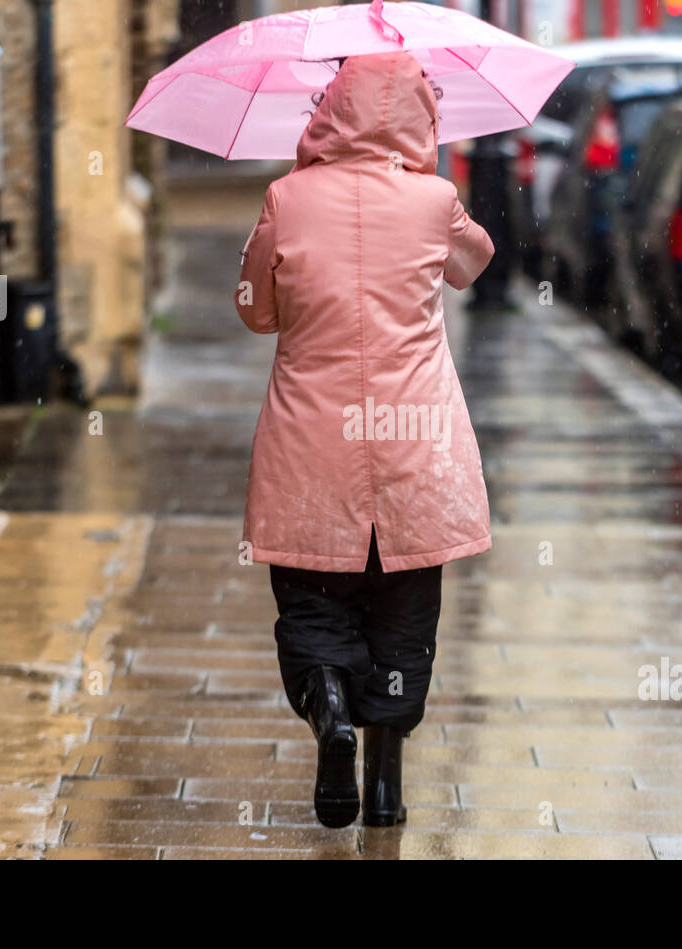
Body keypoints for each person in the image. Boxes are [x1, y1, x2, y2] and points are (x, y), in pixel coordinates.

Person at [233, 50, 494, 828]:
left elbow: (255, 308)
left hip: (310, 444)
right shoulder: (434, 198)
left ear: (329, 109)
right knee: (404, 617)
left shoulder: (285, 196)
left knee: (314, 605)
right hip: (415, 442)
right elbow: (472, 265)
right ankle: (385, 786)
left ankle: (331, 712)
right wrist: (430, 181)